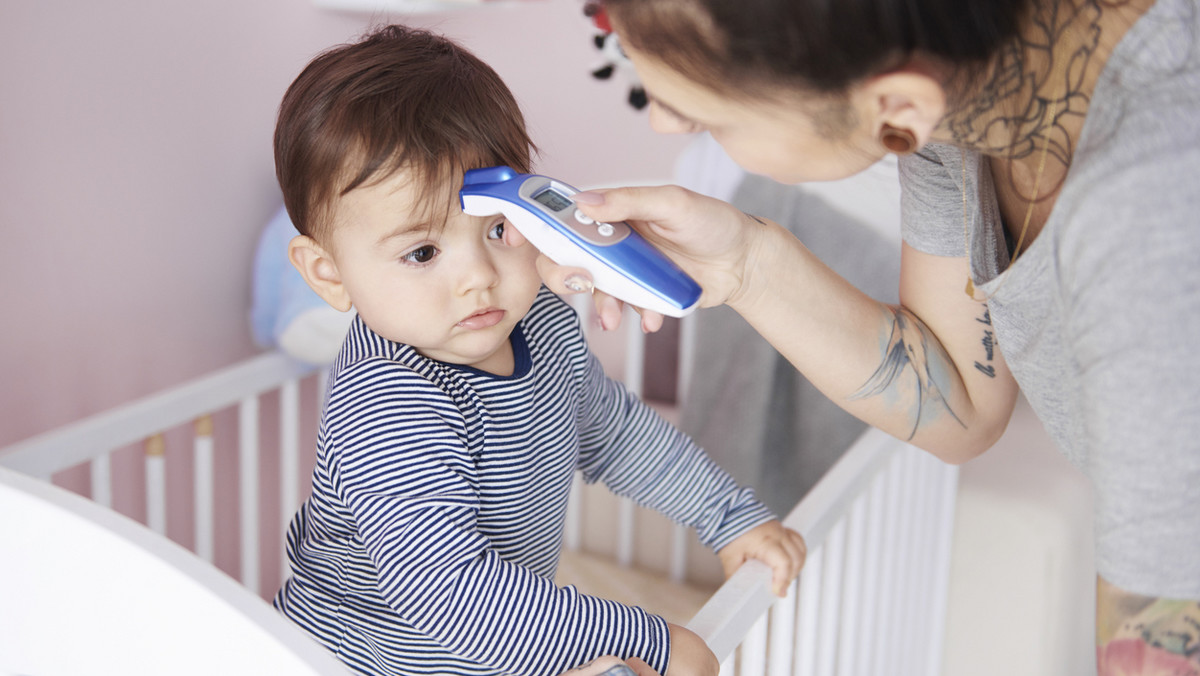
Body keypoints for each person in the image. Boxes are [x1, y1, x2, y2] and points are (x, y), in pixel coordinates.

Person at [530, 0, 1200, 673]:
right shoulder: (962, 101)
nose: (662, 121)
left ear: (895, 106)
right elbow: (959, 399)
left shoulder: (1151, 210)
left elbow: (1163, 632)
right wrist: (745, 264)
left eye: (712, 118)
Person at [270, 24, 806, 676]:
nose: (478, 275)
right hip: (355, 660)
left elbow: (617, 435)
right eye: (422, 252)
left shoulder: (543, 326)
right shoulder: (389, 404)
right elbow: (451, 592)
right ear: (328, 273)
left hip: (491, 649)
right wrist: (651, 642)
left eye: (498, 227)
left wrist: (729, 518)